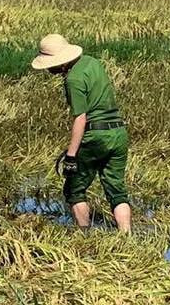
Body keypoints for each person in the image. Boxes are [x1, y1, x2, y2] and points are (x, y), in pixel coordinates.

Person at [31, 34, 132, 234]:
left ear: (59, 63)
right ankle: (126, 235)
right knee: (116, 190)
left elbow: (80, 118)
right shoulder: (92, 63)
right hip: (118, 133)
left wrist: (71, 155)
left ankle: (84, 235)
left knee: (74, 190)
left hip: (95, 137)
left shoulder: (73, 79)